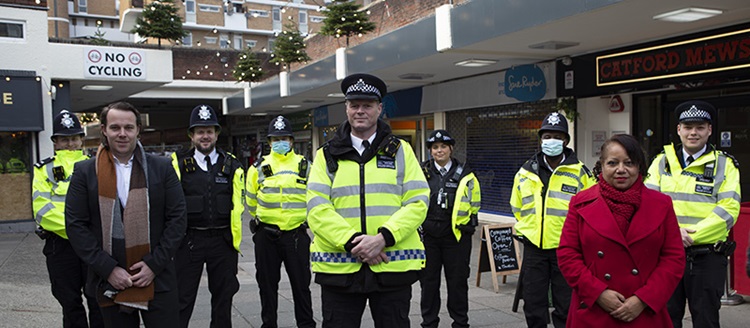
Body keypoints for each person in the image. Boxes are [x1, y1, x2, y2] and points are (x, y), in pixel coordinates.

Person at [306, 73, 430, 328]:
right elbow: (317, 208)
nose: (360, 111)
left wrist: (382, 238)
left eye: (367, 105)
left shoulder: (401, 151)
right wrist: (355, 243)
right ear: (346, 108)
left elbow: (418, 201)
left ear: (379, 108)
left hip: (391, 269)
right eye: (354, 105)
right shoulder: (325, 155)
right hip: (340, 272)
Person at [65, 102, 187, 328]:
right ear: (104, 129)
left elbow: (178, 219)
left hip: (158, 278)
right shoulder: (84, 172)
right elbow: (75, 225)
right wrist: (108, 268)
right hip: (110, 281)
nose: (122, 134)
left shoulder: (162, 167)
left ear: (138, 130)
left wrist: (154, 265)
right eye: (115, 127)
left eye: (128, 127)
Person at [557, 134, 686, 327]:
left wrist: (643, 299)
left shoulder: (661, 204)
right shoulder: (580, 202)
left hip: (645, 313)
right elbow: (567, 254)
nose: (621, 170)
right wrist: (598, 293)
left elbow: (673, 258)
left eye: (629, 163)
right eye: (612, 163)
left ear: (639, 167)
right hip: (593, 310)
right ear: (601, 165)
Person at [644, 100, 741, 328]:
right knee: (665, 318)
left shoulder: (725, 165)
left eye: (699, 127)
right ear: (679, 130)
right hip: (665, 256)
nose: (693, 133)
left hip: (707, 257)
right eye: (687, 127)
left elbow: (728, 210)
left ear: (709, 130)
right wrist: (672, 234)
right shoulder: (661, 162)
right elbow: (648, 204)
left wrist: (688, 235)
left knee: (706, 319)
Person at [509, 112, 596, 328]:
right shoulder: (525, 172)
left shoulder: (581, 173)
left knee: (566, 304)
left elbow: (592, 211)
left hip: (565, 249)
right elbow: (516, 207)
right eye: (547, 136)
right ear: (540, 139)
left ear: (565, 140)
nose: (551, 141)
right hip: (534, 248)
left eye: (556, 137)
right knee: (533, 303)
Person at [170, 104, 244, 328]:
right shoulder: (178, 163)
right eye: (200, 131)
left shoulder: (231, 164)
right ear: (191, 135)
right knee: (182, 299)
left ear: (216, 134)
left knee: (223, 298)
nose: (205, 136)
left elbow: (239, 204)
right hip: (189, 241)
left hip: (222, 242)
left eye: (209, 131)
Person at [32, 109, 104, 328]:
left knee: (97, 299)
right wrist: (77, 230)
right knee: (69, 300)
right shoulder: (44, 169)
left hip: (92, 245)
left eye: (74, 138)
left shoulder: (98, 165)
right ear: (56, 142)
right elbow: (42, 210)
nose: (70, 143)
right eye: (65, 139)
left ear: (82, 140)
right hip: (61, 246)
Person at [246, 115, 316, 328]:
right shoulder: (258, 168)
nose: (280, 142)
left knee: (301, 287)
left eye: (284, 138)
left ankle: (306, 325)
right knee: (267, 287)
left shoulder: (306, 166)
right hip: (266, 236)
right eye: (276, 139)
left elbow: (314, 198)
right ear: (269, 143)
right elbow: (250, 201)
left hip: (296, 235)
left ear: (292, 141)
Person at [418, 129, 481, 328]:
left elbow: (474, 203)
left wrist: (466, 226)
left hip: (456, 237)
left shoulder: (466, 173)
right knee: (428, 284)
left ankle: (460, 322)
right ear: (430, 151)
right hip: (428, 237)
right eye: (435, 147)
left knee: (458, 283)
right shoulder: (421, 173)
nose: (439, 151)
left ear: (451, 148)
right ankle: (429, 323)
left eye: (443, 146)